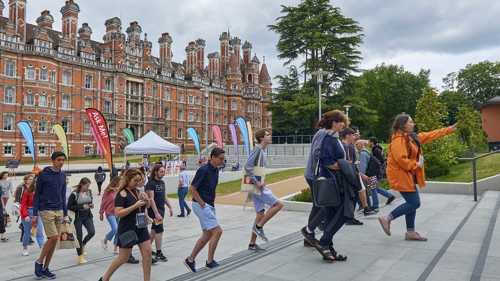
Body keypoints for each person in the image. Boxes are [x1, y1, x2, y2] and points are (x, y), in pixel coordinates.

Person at [378, 114, 457, 241]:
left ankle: (410, 232)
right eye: (410, 122)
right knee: (414, 203)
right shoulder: (398, 140)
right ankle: (387, 218)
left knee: (411, 203)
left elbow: (429, 135)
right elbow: (401, 160)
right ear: (403, 125)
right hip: (400, 176)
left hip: (407, 175)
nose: (413, 124)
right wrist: (417, 165)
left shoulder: (410, 137)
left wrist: (448, 130)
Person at [301, 110, 350, 262]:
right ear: (334, 122)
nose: (343, 124)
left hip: (317, 174)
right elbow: (319, 155)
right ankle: (309, 231)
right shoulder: (325, 134)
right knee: (324, 205)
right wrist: (320, 174)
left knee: (319, 205)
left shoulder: (327, 134)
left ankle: (310, 236)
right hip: (317, 175)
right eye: (341, 121)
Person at [100, 169, 152, 281]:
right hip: (127, 229)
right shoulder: (121, 193)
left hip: (141, 227)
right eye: (135, 180)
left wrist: (147, 201)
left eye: (139, 180)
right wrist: (135, 205)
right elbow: (118, 213)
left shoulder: (138, 191)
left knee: (147, 254)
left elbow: (146, 207)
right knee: (123, 257)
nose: (138, 183)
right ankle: (105, 278)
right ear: (128, 179)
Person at [184, 148, 225, 273]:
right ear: (212, 157)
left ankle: (190, 260)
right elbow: (192, 188)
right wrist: (203, 204)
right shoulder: (203, 170)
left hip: (209, 205)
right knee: (217, 231)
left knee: (207, 234)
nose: (222, 161)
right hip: (202, 205)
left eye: (223, 159)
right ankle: (209, 261)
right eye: (220, 159)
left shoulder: (216, 170)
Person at [245, 129, 284, 251]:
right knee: (278, 204)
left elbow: (256, 169)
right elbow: (247, 167)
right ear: (262, 138)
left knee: (260, 214)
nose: (270, 136)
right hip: (256, 186)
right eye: (268, 135)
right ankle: (259, 226)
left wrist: (260, 180)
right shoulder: (257, 150)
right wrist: (257, 182)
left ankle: (252, 243)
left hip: (255, 186)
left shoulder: (262, 151)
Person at [33, 151, 70, 279]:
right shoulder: (43, 175)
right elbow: (37, 194)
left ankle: (45, 268)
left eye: (63, 160)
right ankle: (38, 262)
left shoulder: (63, 176)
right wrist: (34, 213)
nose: (61, 162)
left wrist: (65, 214)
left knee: (53, 242)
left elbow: (63, 195)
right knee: (53, 237)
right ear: (53, 161)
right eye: (59, 160)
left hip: (59, 209)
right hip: (46, 209)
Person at [341, 128, 376, 226]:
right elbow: (346, 162)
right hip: (348, 175)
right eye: (353, 135)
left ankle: (352, 215)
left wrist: (359, 174)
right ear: (347, 135)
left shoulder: (351, 147)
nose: (355, 137)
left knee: (356, 194)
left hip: (353, 174)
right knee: (352, 196)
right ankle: (358, 212)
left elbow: (353, 163)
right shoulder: (343, 146)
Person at [356, 140, 395, 211]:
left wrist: (361, 175)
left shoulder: (362, 154)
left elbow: (363, 166)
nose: (356, 146)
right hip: (373, 172)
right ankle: (390, 196)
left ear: (361, 145)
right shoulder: (367, 151)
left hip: (369, 174)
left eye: (357, 144)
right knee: (375, 187)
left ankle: (375, 205)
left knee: (373, 188)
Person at [146, 164, 173, 262]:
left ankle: (146, 249)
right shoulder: (150, 183)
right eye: (161, 171)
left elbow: (164, 196)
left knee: (153, 231)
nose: (163, 173)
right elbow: (151, 199)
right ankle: (158, 253)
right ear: (156, 172)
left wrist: (169, 207)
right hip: (154, 211)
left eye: (164, 171)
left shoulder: (162, 182)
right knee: (159, 230)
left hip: (161, 210)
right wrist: (156, 213)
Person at [68, 178, 96, 264]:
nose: (88, 187)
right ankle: (80, 256)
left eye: (89, 186)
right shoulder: (74, 194)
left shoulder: (89, 192)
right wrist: (81, 207)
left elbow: (90, 201)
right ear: (82, 185)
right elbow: (69, 206)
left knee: (92, 232)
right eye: (87, 186)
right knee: (79, 236)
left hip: (87, 216)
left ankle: (83, 244)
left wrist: (91, 205)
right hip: (78, 218)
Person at [20, 176, 45, 256]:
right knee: (27, 232)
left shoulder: (41, 191)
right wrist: (25, 215)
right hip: (28, 212)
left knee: (40, 231)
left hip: (38, 212)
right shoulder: (27, 191)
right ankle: (25, 247)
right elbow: (23, 205)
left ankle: (42, 247)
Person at [99, 176, 121, 254]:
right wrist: (101, 213)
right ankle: (105, 239)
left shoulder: (120, 191)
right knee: (115, 228)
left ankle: (116, 247)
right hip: (110, 213)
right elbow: (103, 202)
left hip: (118, 212)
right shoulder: (108, 191)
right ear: (116, 182)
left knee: (118, 230)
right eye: (120, 182)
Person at [15, 174, 34, 243]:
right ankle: (27, 238)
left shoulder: (33, 187)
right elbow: (17, 198)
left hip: (30, 207)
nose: (31, 180)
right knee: (25, 223)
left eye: (32, 179)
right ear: (26, 180)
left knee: (27, 224)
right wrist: (19, 206)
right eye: (29, 179)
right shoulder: (21, 187)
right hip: (22, 206)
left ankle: (26, 238)